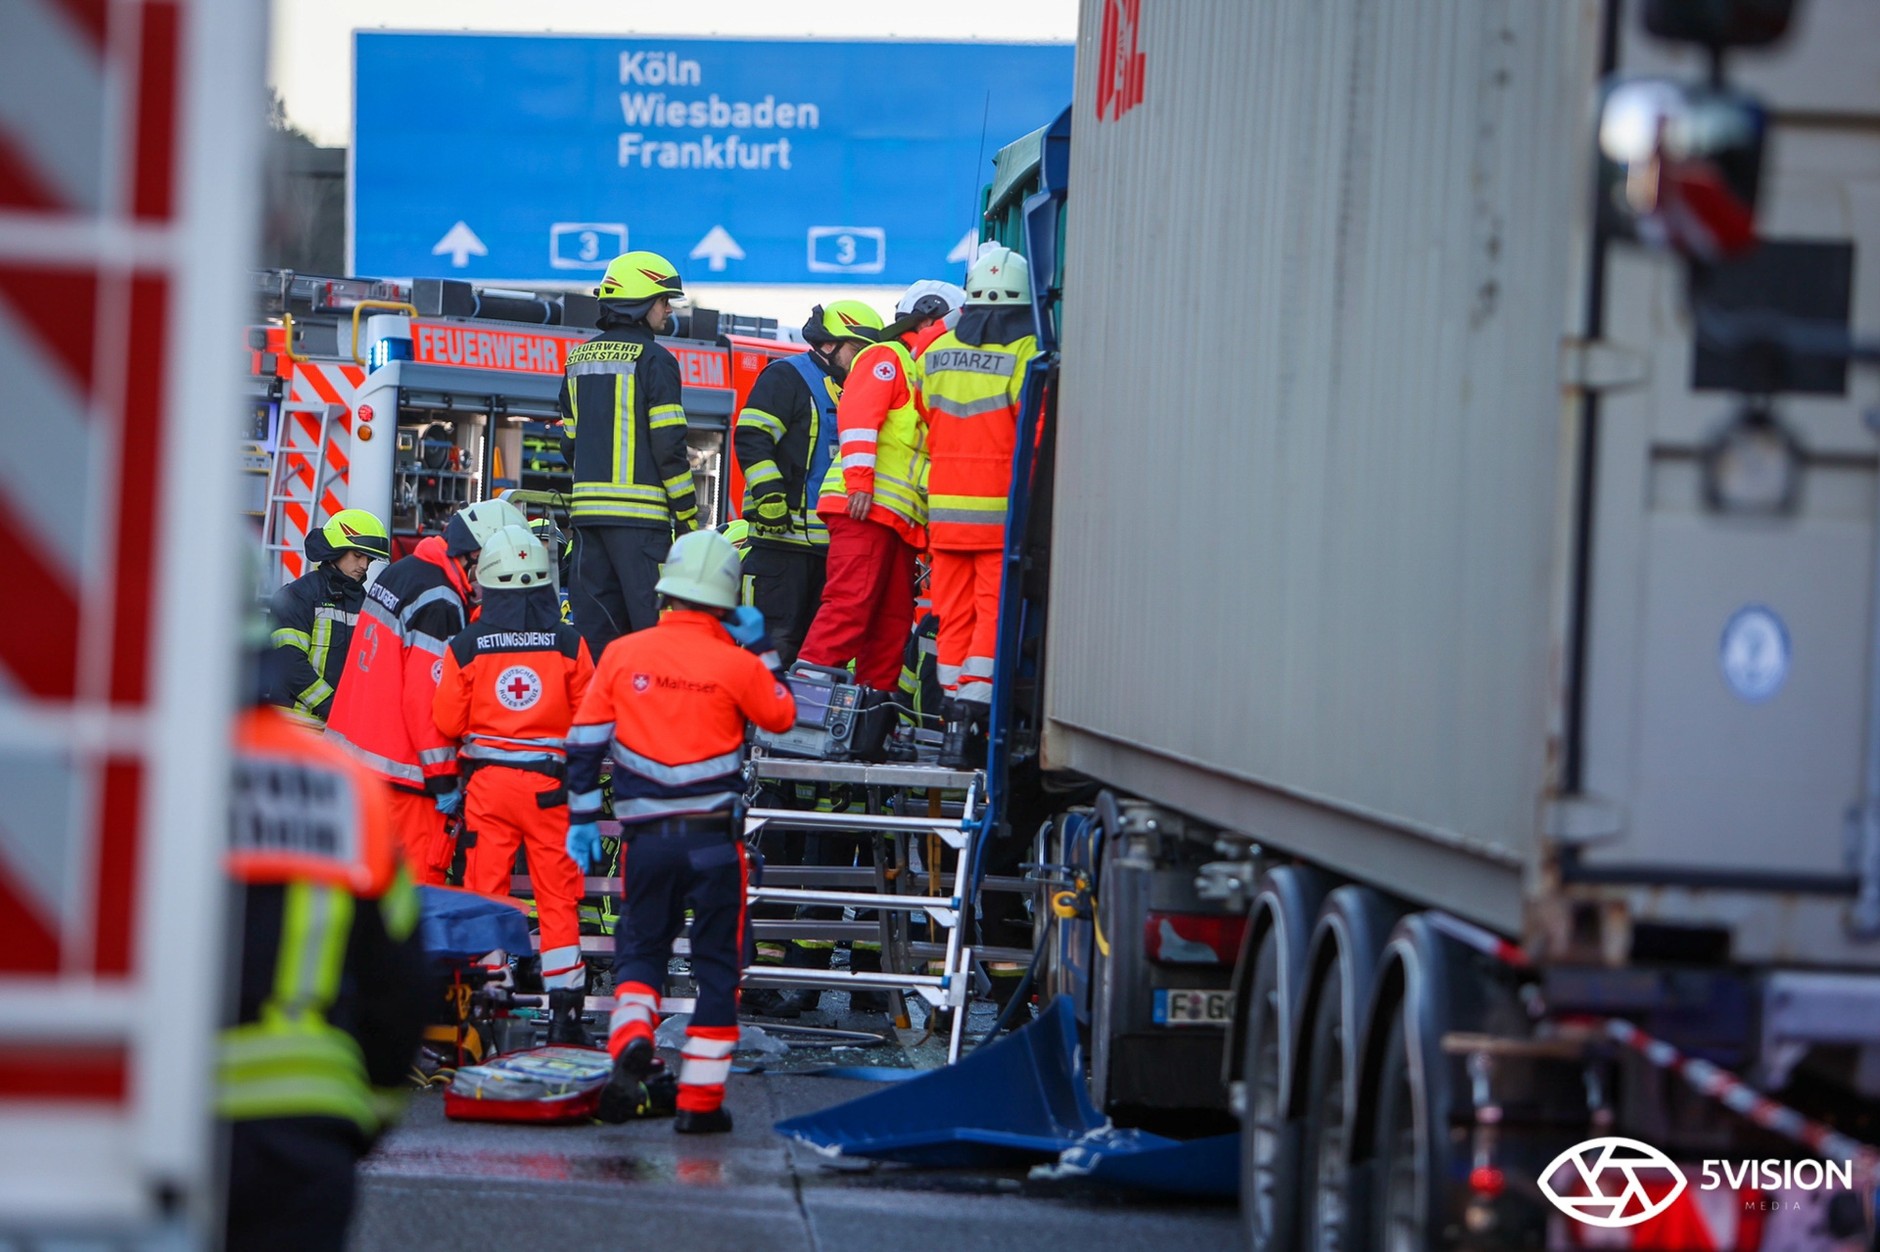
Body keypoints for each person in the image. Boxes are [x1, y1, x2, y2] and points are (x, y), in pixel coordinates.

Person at [564, 529, 795, 1131]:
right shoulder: (737, 663)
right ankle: (698, 1107)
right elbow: (782, 715)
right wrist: (763, 648)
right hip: (715, 845)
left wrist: (586, 817)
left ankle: (632, 1038)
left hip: (646, 843)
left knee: (641, 950)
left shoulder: (623, 653)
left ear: (667, 591)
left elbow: (584, 744)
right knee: (718, 967)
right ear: (725, 602)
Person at [222, 623, 429, 1252]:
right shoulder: (343, 784)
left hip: (162, 1106)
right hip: (308, 1125)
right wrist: (378, 1106)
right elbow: (400, 977)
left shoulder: (146, 771)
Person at [433, 524, 596, 1039]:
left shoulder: (467, 645)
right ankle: (564, 1016)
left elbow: (446, 722)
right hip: (551, 791)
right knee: (557, 898)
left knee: (486, 891)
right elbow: (590, 718)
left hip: (488, 790)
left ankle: (488, 1008)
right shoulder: (569, 642)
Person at [326, 497, 527, 883]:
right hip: (406, 778)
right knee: (420, 898)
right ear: (476, 555)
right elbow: (428, 699)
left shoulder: (400, 573)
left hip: (359, 764)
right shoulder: (440, 600)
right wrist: (443, 778)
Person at [796, 279, 965, 698]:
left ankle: (873, 719)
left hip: (898, 521)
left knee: (890, 623)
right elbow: (858, 418)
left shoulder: (927, 374)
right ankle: (805, 709)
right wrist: (859, 484)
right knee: (850, 606)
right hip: (864, 509)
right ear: (927, 318)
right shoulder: (886, 356)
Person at [916, 245, 1040, 765]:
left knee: (951, 611)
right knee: (992, 610)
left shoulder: (936, 353)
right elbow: (1035, 433)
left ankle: (950, 708)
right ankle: (975, 708)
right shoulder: (1026, 351)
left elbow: (924, 417)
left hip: (944, 512)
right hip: (996, 513)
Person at [561, 250, 698, 659]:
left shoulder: (577, 359)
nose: (668, 310)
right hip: (641, 526)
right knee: (655, 635)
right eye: (663, 300)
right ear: (640, 301)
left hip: (587, 524)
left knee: (597, 635)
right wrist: (688, 516)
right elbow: (669, 446)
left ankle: (599, 718)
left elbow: (569, 441)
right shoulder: (656, 360)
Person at [733, 300, 883, 664]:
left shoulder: (863, 390)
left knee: (820, 658)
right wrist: (769, 495)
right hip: (782, 545)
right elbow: (753, 436)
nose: (862, 360)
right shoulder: (787, 376)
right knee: (773, 649)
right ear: (828, 344)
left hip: (833, 550)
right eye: (857, 349)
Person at [267, 508, 390, 725]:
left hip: (338, 729)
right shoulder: (299, 595)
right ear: (336, 551)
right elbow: (290, 663)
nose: (364, 566)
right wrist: (335, 707)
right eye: (358, 555)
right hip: (295, 725)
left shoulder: (363, 602)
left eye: (369, 559)